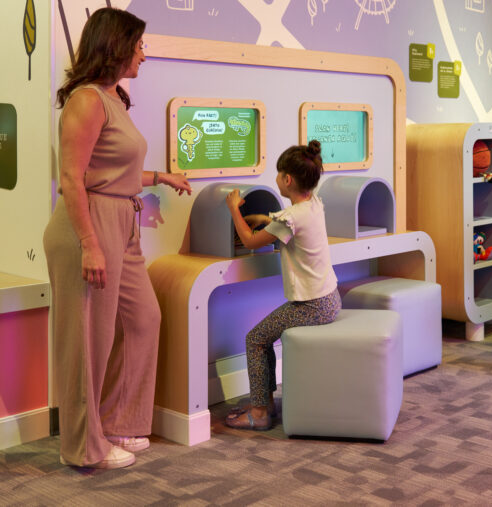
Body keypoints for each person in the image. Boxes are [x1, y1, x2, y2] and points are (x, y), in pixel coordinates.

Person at [43, 8, 192, 469]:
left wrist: (160, 177)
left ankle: (115, 421)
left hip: (122, 221)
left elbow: (113, 169)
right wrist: (89, 243)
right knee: (87, 340)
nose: (144, 55)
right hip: (88, 224)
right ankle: (83, 448)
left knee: (143, 318)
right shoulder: (86, 100)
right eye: (139, 45)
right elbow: (73, 177)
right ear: (117, 45)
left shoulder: (114, 98)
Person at [224, 140, 341, 431]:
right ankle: (264, 403)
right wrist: (265, 219)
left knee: (255, 339)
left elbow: (251, 241)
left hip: (311, 306)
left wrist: (234, 209)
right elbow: (288, 226)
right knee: (263, 337)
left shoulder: (290, 218)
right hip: (329, 298)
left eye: (278, 174)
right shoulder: (313, 204)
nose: (276, 178)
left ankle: (260, 412)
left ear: (287, 179)